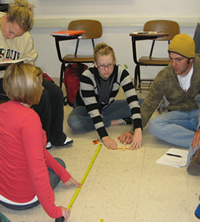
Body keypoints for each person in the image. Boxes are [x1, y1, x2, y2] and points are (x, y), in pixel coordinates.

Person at [0, 63, 81, 221]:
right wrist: (54, 211)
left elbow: (33, 151)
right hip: (23, 200)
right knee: (58, 163)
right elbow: (38, 171)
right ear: (29, 89)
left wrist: (63, 174)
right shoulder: (30, 119)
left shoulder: (2, 110)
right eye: (40, 85)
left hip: (2, 193)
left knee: (57, 166)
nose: (43, 89)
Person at [120, 33, 200, 174]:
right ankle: (197, 145)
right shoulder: (165, 75)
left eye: (179, 60)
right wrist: (134, 130)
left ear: (191, 60)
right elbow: (149, 104)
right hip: (179, 116)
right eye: (171, 59)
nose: (173, 64)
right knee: (155, 125)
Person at [0, 0, 72, 149]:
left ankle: (56, 136)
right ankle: (41, 139)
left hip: (18, 77)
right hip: (2, 79)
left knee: (55, 92)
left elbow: (29, 62)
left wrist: (20, 67)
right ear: (6, 18)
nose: (12, 37)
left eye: (18, 35)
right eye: (11, 32)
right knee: (40, 95)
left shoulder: (25, 37)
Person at [67, 42, 142, 149]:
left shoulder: (122, 73)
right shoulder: (87, 77)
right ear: (95, 63)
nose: (106, 69)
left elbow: (133, 100)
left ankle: (105, 119)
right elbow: (92, 110)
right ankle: (113, 122)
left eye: (110, 65)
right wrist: (105, 137)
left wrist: (137, 130)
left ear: (115, 62)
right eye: (102, 66)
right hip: (85, 109)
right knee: (74, 122)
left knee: (142, 103)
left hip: (105, 107)